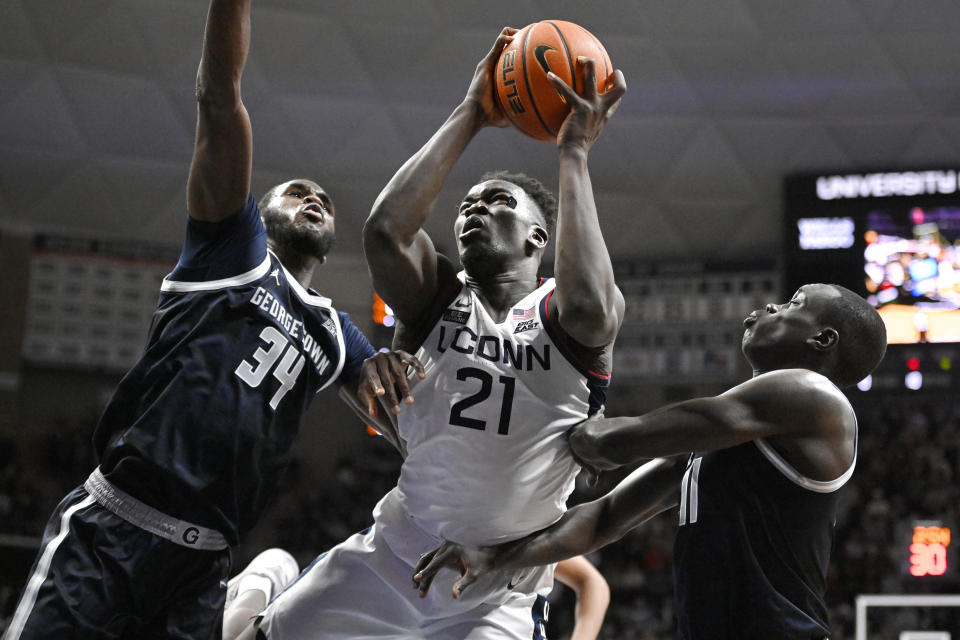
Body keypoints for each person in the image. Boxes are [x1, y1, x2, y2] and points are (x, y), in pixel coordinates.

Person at [2, 1, 421, 639]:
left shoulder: (337, 332)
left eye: (325, 199)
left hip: (202, 566)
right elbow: (220, 99)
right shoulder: (231, 248)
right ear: (261, 205)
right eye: (297, 190)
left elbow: (398, 415)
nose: (313, 197)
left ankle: (263, 589)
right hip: (115, 530)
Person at [251, 26, 627, 640]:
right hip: (395, 552)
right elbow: (385, 234)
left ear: (540, 238)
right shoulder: (437, 300)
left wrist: (573, 153)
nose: (474, 208)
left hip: (497, 587)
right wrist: (472, 113)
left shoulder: (565, 314)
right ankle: (259, 585)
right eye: (467, 204)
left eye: (498, 201)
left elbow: (592, 304)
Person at [413, 283, 888, 640]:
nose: (769, 306)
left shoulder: (812, 395)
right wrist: (492, 557)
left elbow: (627, 439)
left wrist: (566, 422)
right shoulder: (722, 446)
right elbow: (606, 517)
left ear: (823, 340)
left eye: (793, 304)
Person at [221, 552, 608, 640]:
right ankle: (268, 575)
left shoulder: (529, 526)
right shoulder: (432, 504)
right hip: (383, 600)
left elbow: (593, 583)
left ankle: (271, 572)